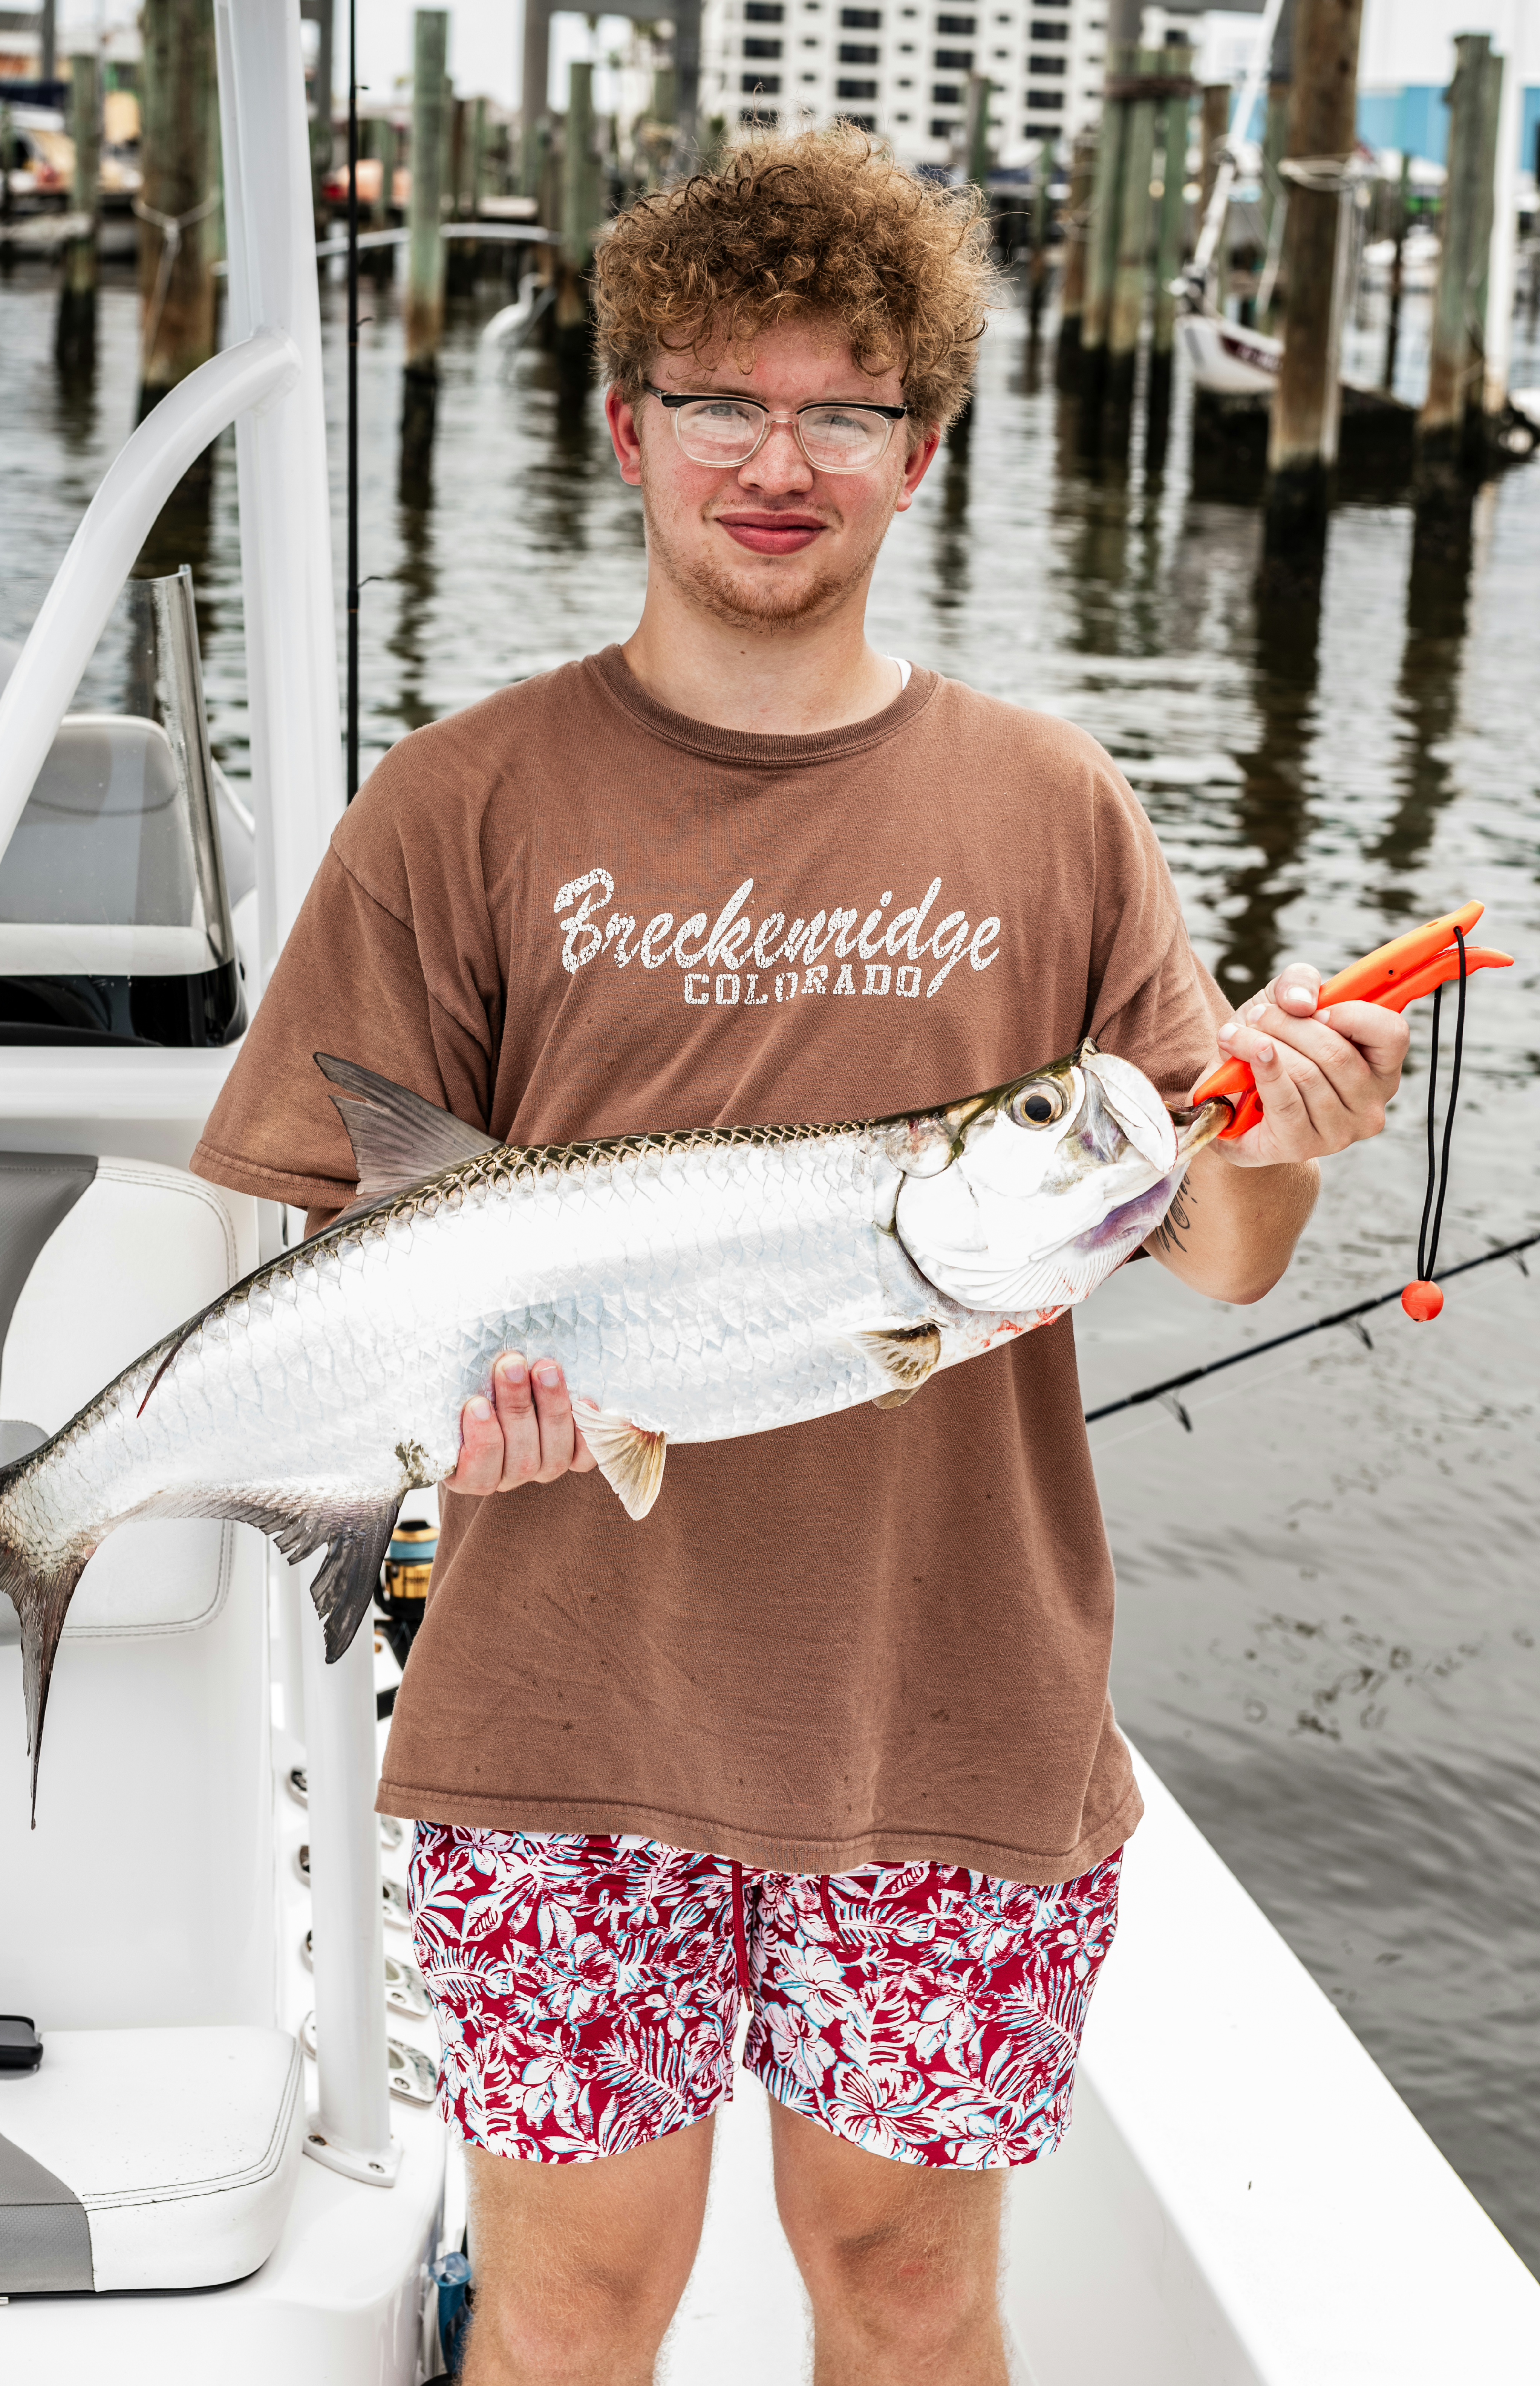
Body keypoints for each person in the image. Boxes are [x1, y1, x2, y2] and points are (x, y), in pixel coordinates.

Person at [193, 133, 1408, 2386]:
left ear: (922, 452)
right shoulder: (457, 802)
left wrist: (1296, 1131)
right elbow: (343, 1253)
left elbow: (1219, 1239)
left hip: (949, 1706)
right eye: (721, 402)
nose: (780, 463)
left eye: (845, 410)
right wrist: (447, 1430)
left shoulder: (1052, 806)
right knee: (572, 2313)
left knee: (913, 2300)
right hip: (557, 1715)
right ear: (626, 425)